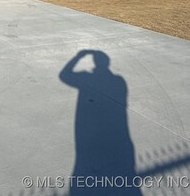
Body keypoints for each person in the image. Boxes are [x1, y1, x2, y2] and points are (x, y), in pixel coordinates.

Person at [59, 50, 141, 195]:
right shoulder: (119, 81)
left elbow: (64, 75)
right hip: (120, 137)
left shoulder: (87, 78)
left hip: (87, 138)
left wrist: (78, 56)